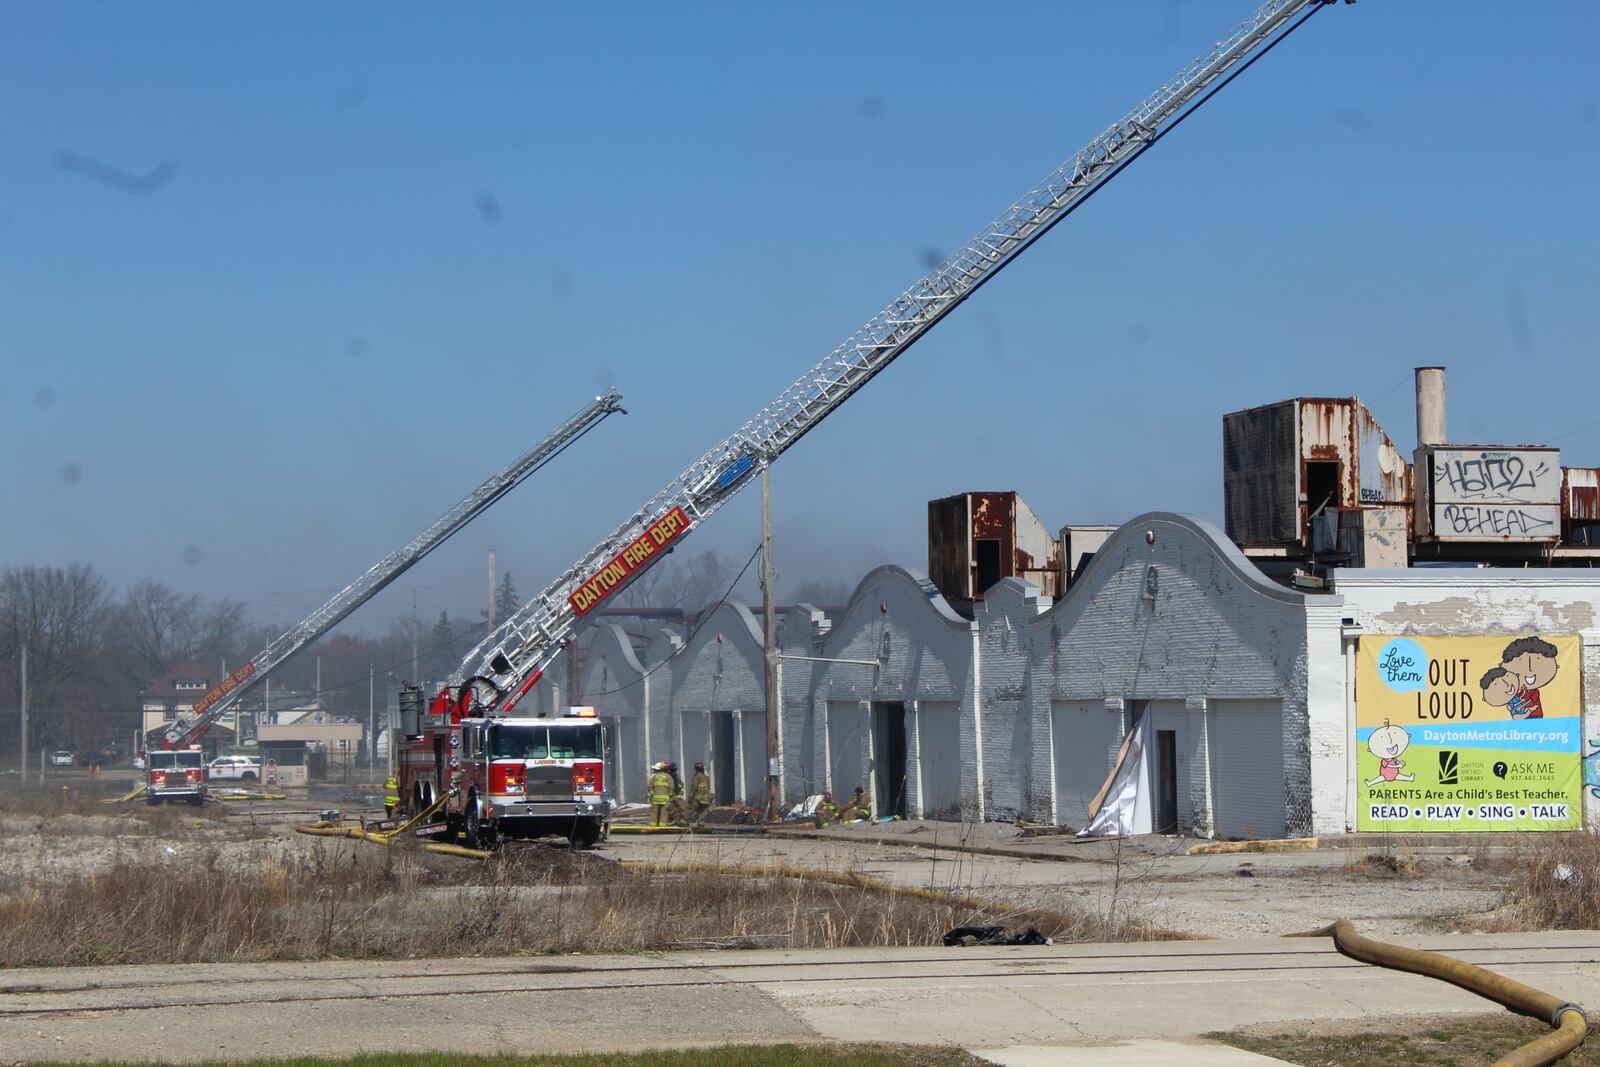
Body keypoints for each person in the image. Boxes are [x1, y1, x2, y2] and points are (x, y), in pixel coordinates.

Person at [648, 762, 675, 827]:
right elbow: (671, 787)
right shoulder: (668, 776)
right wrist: (671, 797)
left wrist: (652, 794)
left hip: (655, 799)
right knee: (664, 813)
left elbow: (650, 786)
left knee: (654, 812)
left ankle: (653, 825)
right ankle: (662, 826)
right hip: (665, 799)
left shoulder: (654, 776)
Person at [688, 762, 712, 828]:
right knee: (702, 812)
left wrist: (690, 797)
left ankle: (688, 825)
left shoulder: (696, 777)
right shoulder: (707, 777)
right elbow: (708, 788)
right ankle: (701, 825)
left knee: (692, 810)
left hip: (697, 798)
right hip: (705, 798)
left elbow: (694, 788)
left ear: (696, 769)